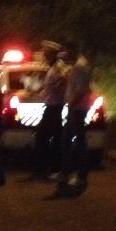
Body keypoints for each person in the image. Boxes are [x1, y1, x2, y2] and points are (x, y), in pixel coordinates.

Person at [57, 44, 93, 191]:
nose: (65, 57)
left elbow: (81, 91)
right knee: (72, 141)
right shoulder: (80, 67)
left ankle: (76, 174)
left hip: (76, 109)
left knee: (73, 142)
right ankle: (69, 173)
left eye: (67, 53)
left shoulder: (78, 69)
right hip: (77, 108)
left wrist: (71, 105)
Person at [32, 47, 67, 180]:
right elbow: (49, 88)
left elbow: (62, 83)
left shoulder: (57, 70)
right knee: (51, 138)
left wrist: (56, 92)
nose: (45, 60)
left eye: (47, 57)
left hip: (54, 107)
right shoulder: (52, 70)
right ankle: (49, 168)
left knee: (43, 137)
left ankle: (47, 169)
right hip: (52, 107)